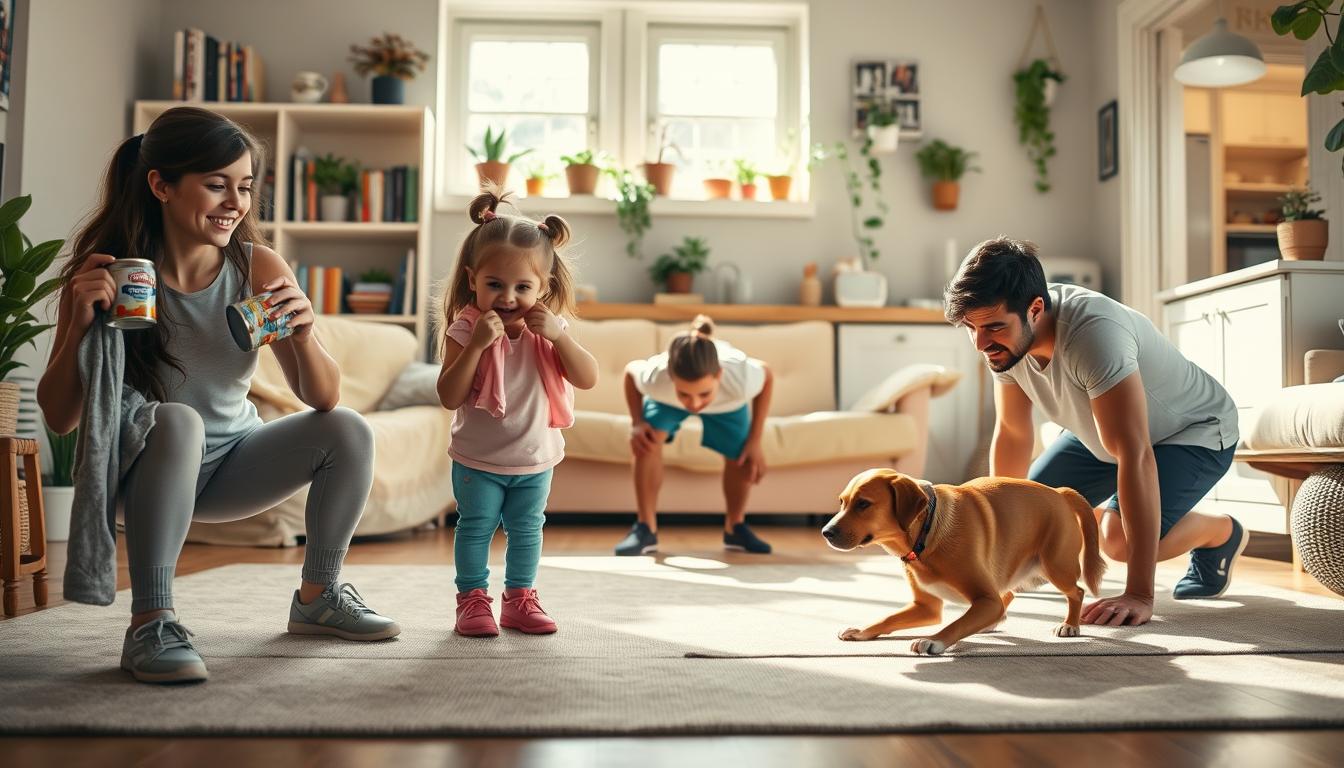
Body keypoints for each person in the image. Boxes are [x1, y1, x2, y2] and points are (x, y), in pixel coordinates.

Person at [37, 106, 398, 685]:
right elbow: (59, 417)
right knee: (178, 421)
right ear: (161, 185)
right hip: (145, 471)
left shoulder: (255, 267)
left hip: (233, 466)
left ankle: (317, 596)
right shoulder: (110, 273)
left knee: (349, 428)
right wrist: (78, 327)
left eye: (245, 187)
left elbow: (323, 398)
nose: (236, 202)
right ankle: (150, 623)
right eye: (216, 185)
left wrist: (304, 334)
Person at [943, 237, 1246, 628]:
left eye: (992, 327)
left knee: (1115, 541)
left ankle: (1219, 532)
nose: (981, 342)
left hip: (1193, 430)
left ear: (1036, 309)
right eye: (971, 328)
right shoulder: (1003, 341)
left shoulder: (1095, 334)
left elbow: (1135, 454)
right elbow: (1014, 433)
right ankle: (1115, 516)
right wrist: (997, 568)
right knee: (1032, 526)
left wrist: (1139, 594)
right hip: (1099, 433)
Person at [436, 187, 598, 637]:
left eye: (523, 287)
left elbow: (587, 377)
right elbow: (449, 394)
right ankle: (472, 601)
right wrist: (477, 346)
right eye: (495, 285)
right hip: (477, 460)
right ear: (473, 279)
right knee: (476, 528)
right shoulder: (466, 327)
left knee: (528, 531)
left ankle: (519, 599)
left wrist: (561, 338)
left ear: (543, 288)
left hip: (534, 458)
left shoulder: (550, 328)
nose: (508, 297)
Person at [615, 315, 775, 556]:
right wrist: (637, 423)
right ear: (671, 377)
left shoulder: (739, 377)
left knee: (741, 453)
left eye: (703, 393)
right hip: (667, 402)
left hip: (727, 404)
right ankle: (645, 528)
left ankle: (736, 527)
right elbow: (630, 372)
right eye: (685, 394)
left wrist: (754, 441)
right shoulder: (658, 377)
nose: (695, 403)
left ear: (719, 375)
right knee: (646, 441)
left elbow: (767, 375)